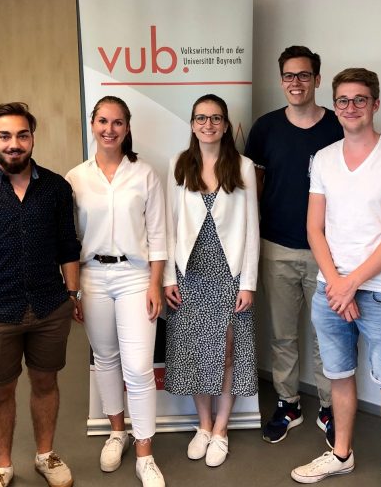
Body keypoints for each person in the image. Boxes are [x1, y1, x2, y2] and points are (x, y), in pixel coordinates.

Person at [291, 68, 381, 487]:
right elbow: (314, 228)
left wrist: (351, 284)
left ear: (375, 104)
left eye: (360, 99)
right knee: (339, 376)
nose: (351, 107)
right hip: (331, 290)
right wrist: (337, 283)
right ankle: (341, 454)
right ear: (335, 106)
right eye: (343, 100)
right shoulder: (324, 158)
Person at [0, 102, 81, 487]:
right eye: (4, 136)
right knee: (0, 391)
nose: (14, 144)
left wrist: (72, 293)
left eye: (22, 135)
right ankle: (3, 465)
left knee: (45, 383)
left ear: (32, 139)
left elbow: (68, 245)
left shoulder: (56, 188)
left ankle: (45, 455)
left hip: (49, 307)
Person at [65, 95, 167, 487]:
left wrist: (155, 283)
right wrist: (73, 291)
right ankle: (116, 432)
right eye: (103, 121)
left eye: (118, 122)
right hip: (92, 277)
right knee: (106, 359)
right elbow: (69, 240)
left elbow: (158, 234)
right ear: (93, 124)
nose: (110, 129)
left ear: (127, 128)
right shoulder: (76, 178)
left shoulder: (145, 174)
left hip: (135, 277)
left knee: (138, 366)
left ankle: (145, 453)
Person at [244, 45, 344, 445]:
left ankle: (330, 408)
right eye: (289, 75)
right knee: (282, 335)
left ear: (317, 79)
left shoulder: (339, 126)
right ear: (281, 80)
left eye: (304, 75)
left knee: (327, 336)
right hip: (277, 247)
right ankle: (288, 403)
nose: (296, 82)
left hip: (328, 252)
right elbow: (255, 187)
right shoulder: (265, 128)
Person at [164, 93, 259, 467]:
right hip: (189, 272)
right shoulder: (178, 164)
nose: (208, 124)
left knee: (227, 351)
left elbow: (251, 228)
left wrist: (248, 282)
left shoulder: (243, 166)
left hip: (229, 272)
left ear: (226, 124)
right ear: (192, 124)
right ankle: (203, 424)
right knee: (195, 350)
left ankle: (221, 429)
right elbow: (168, 224)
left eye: (216, 118)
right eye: (201, 118)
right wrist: (168, 277)